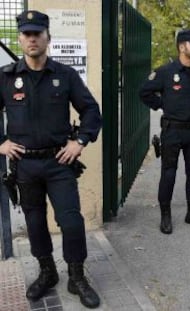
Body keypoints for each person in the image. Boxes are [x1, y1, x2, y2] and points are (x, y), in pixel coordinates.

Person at [0, 11, 101, 308]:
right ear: (19, 39)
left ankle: (77, 277)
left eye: (38, 34)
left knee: (71, 221)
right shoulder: (6, 77)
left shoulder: (64, 75)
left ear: (48, 38)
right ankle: (47, 273)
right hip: (25, 166)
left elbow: (92, 112)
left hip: (59, 163)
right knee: (34, 223)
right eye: (27, 34)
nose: (32, 39)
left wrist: (80, 141)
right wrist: (1, 143)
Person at [139, 29, 190, 234]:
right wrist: (164, 105)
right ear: (182, 47)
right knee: (169, 174)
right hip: (172, 130)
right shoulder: (165, 72)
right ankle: (165, 215)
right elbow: (144, 92)